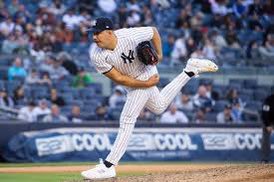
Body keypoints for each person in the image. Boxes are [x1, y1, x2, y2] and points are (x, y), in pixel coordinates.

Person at [81, 17, 218, 180]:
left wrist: (159, 55)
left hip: (146, 72)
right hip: (134, 82)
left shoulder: (129, 35)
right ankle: (190, 70)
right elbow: (119, 79)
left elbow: (153, 31)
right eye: (92, 34)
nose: (94, 37)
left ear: (110, 32)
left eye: (97, 33)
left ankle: (109, 166)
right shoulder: (97, 55)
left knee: (127, 119)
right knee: (159, 107)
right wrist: (144, 84)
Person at [261, 90, 274, 163]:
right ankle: (265, 159)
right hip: (268, 120)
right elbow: (264, 113)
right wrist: (267, 125)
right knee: (265, 140)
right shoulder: (269, 99)